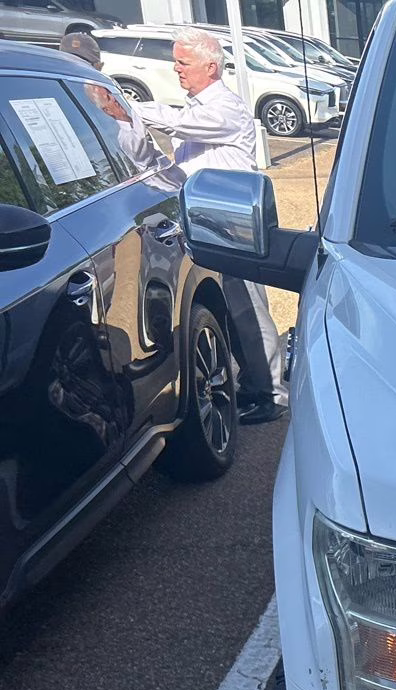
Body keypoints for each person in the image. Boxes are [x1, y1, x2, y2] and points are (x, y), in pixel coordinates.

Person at [95, 27, 287, 425]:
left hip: (232, 224)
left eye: (183, 62)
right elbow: (169, 167)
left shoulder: (224, 109)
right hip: (205, 222)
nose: (176, 68)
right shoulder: (196, 112)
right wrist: (128, 128)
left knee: (248, 310)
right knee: (231, 311)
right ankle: (252, 384)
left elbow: (181, 123)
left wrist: (129, 108)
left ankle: (271, 393)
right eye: (177, 61)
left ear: (211, 66)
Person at [59, 31, 166, 175]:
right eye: (67, 62)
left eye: (82, 65)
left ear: (99, 67)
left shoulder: (110, 99)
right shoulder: (50, 94)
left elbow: (141, 156)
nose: (72, 70)